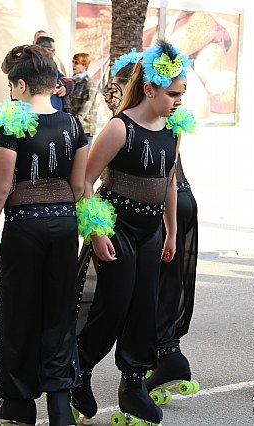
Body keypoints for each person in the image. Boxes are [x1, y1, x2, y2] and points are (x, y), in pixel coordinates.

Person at [71, 40, 192, 425]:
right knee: (113, 305)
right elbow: (84, 183)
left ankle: (134, 383)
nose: (178, 101)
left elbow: (169, 182)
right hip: (118, 224)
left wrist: (171, 231)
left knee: (145, 308)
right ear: (150, 88)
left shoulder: (173, 131)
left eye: (182, 94)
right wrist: (96, 232)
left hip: (151, 229)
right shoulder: (120, 128)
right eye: (173, 93)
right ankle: (80, 370)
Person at [0, 44, 88, 426]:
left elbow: (0, 187)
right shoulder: (74, 124)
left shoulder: (13, 123)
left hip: (25, 226)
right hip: (64, 226)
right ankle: (60, 408)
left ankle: (18, 405)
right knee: (58, 313)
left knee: (18, 313)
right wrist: (92, 231)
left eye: (11, 85)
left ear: (20, 85)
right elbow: (79, 186)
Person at [35, 36, 72, 112]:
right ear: (44, 50)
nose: (54, 54)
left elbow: (67, 80)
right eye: (53, 50)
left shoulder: (52, 68)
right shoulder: (29, 69)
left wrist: (65, 87)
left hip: (57, 116)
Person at [70, 52, 98, 144]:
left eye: (76, 63)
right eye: (73, 62)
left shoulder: (88, 82)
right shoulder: (74, 81)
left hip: (85, 128)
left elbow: (87, 105)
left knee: (83, 157)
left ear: (85, 65)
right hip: (75, 126)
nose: (73, 65)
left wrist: (75, 121)